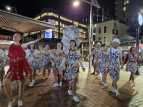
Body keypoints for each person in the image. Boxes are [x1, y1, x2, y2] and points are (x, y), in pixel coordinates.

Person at [0, 33, 42, 107]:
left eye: (17, 35)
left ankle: (20, 100)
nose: (15, 36)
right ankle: (11, 100)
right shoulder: (9, 46)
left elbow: (29, 43)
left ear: (20, 38)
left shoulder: (22, 46)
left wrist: (35, 41)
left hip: (22, 68)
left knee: (21, 85)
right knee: (6, 83)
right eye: (14, 35)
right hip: (12, 69)